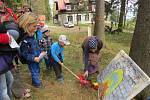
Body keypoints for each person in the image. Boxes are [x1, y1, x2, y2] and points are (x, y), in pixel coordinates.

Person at [0, 1, 26, 100]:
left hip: (5, 56)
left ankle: (14, 95)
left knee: (10, 80)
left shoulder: (8, 13)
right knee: (3, 90)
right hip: (1, 57)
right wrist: (5, 38)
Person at [18, 12, 45, 88]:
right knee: (34, 71)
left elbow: (36, 46)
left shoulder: (32, 37)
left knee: (37, 70)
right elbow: (24, 53)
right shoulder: (24, 40)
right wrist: (33, 58)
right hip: (32, 60)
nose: (36, 29)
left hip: (37, 57)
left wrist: (40, 52)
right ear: (27, 25)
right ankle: (37, 84)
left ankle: (35, 81)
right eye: (34, 26)